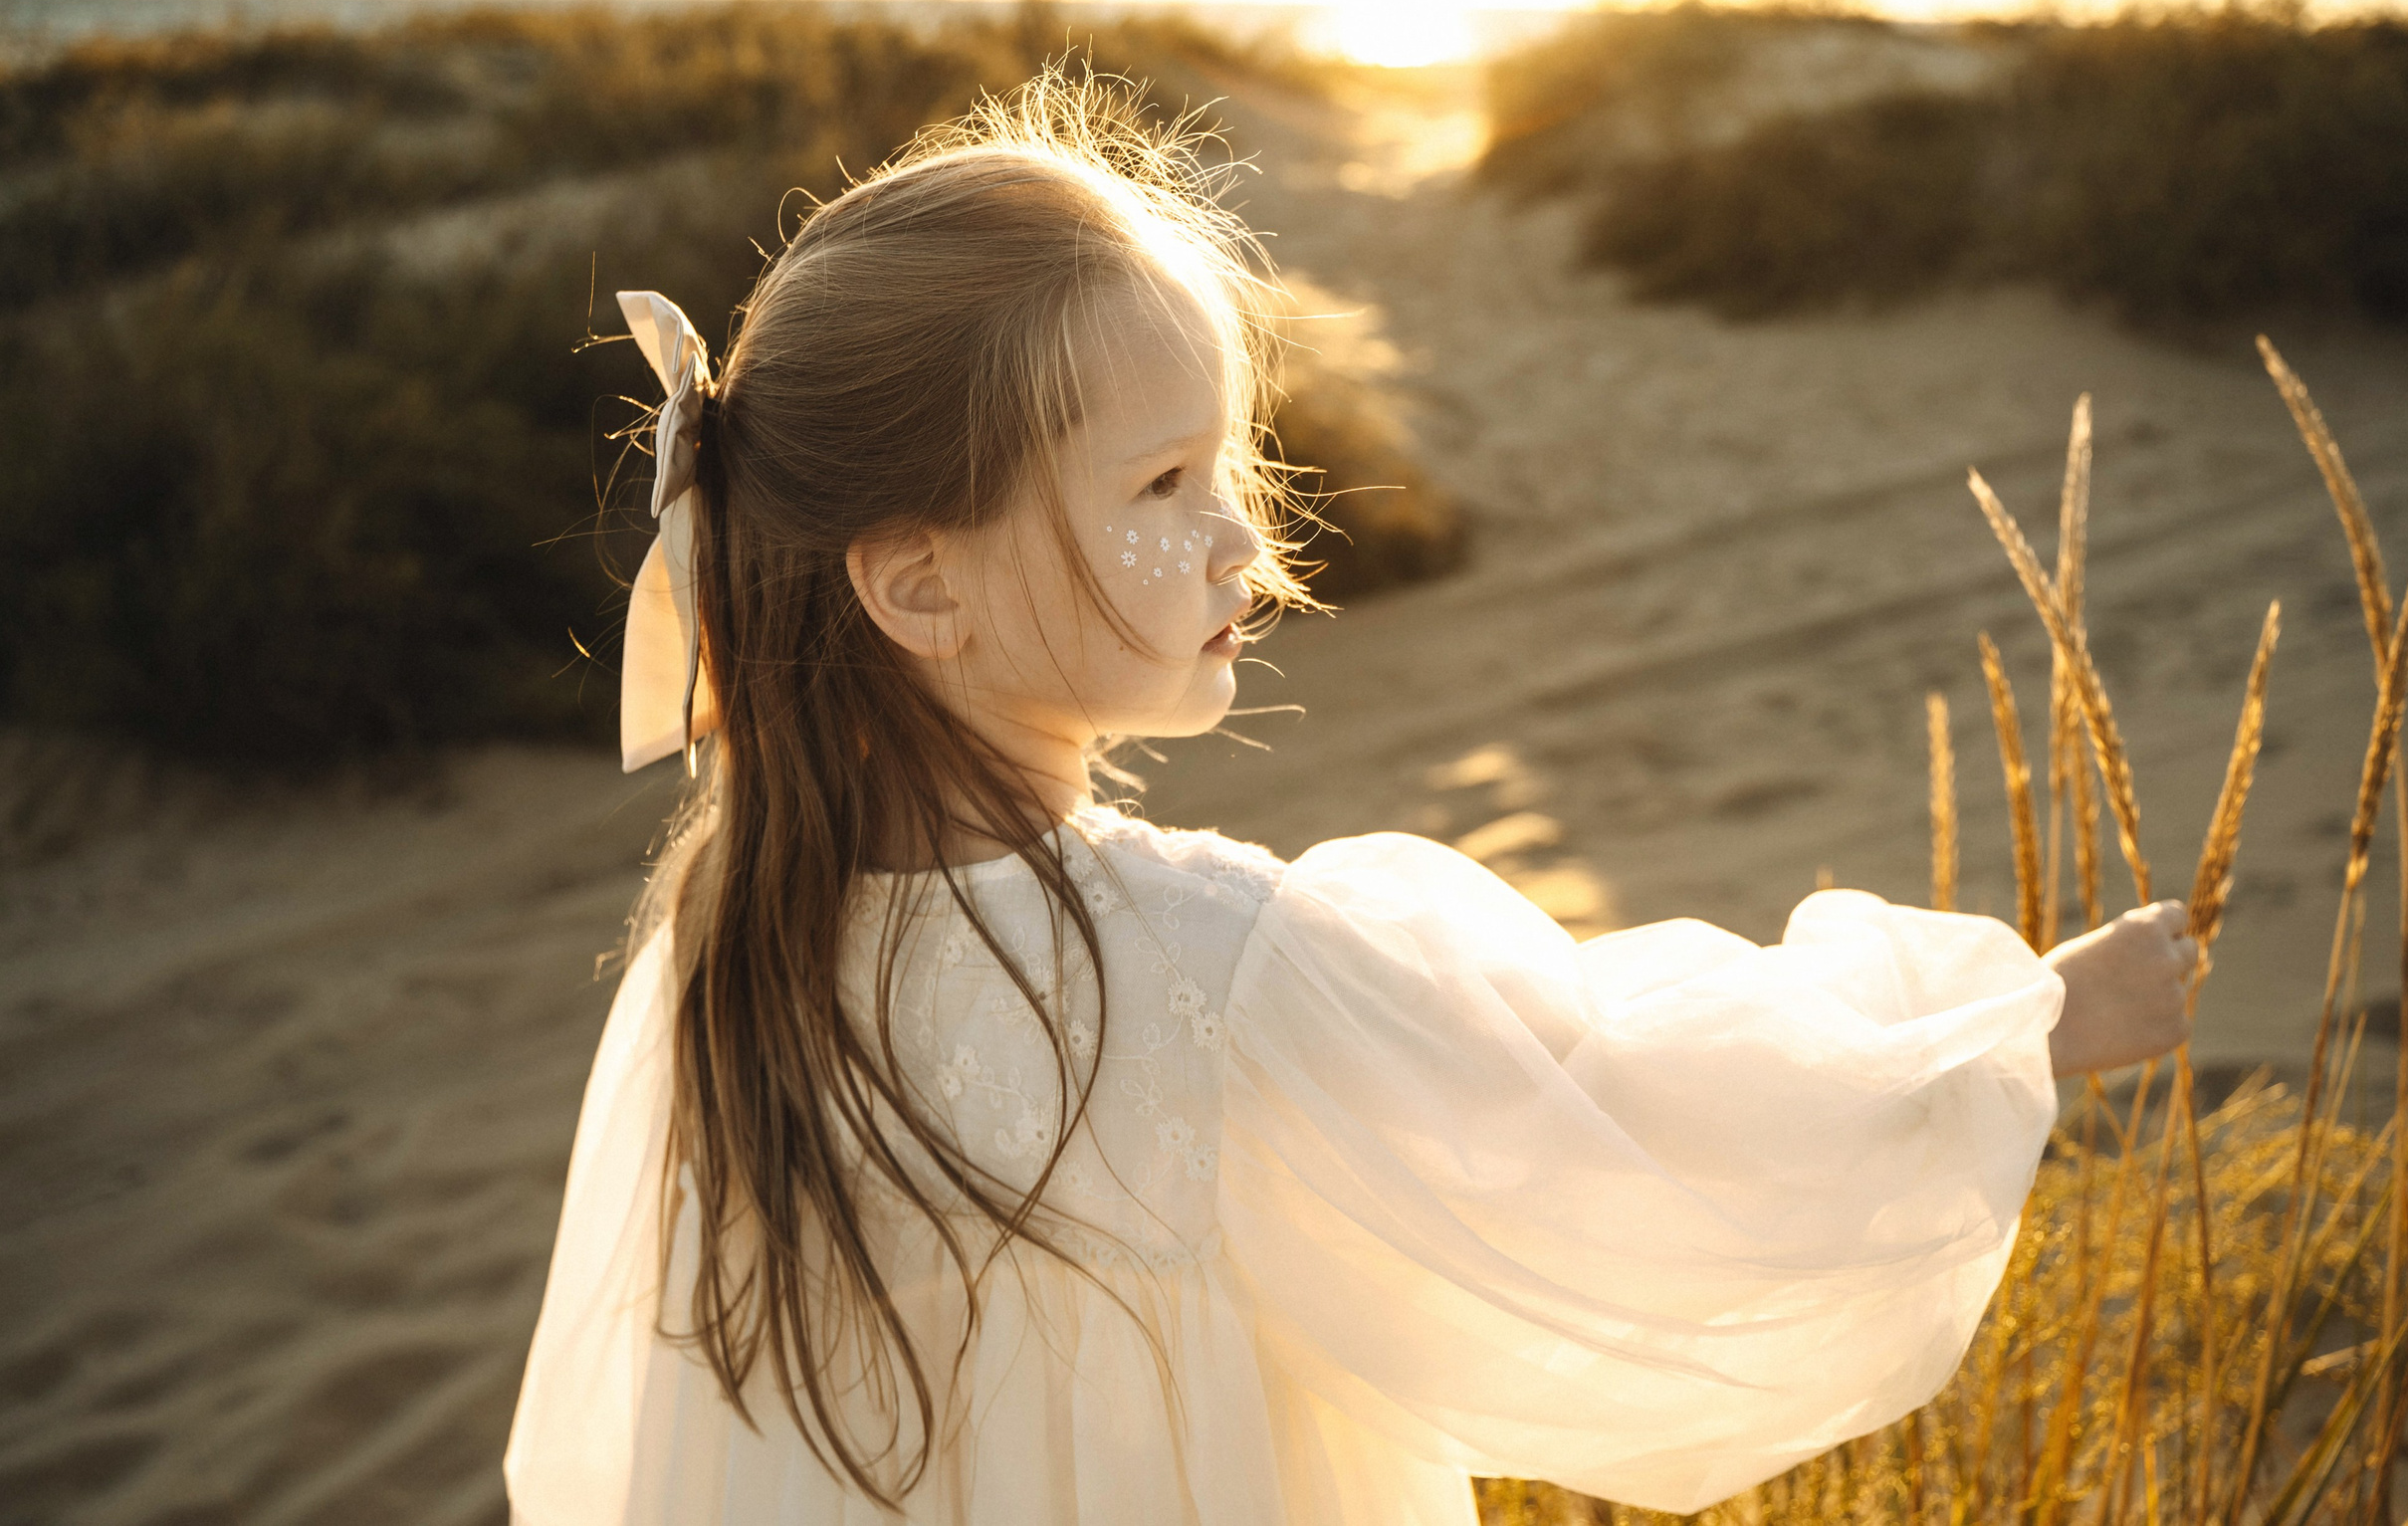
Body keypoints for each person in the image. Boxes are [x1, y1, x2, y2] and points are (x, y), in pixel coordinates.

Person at [504, 76, 2197, 1526]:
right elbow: (1623, 1131)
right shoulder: (1203, 966)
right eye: (1162, 484)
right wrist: (2017, 1027)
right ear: (921, 588)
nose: (1238, 531)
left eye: (1226, 460)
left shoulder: (724, 935)